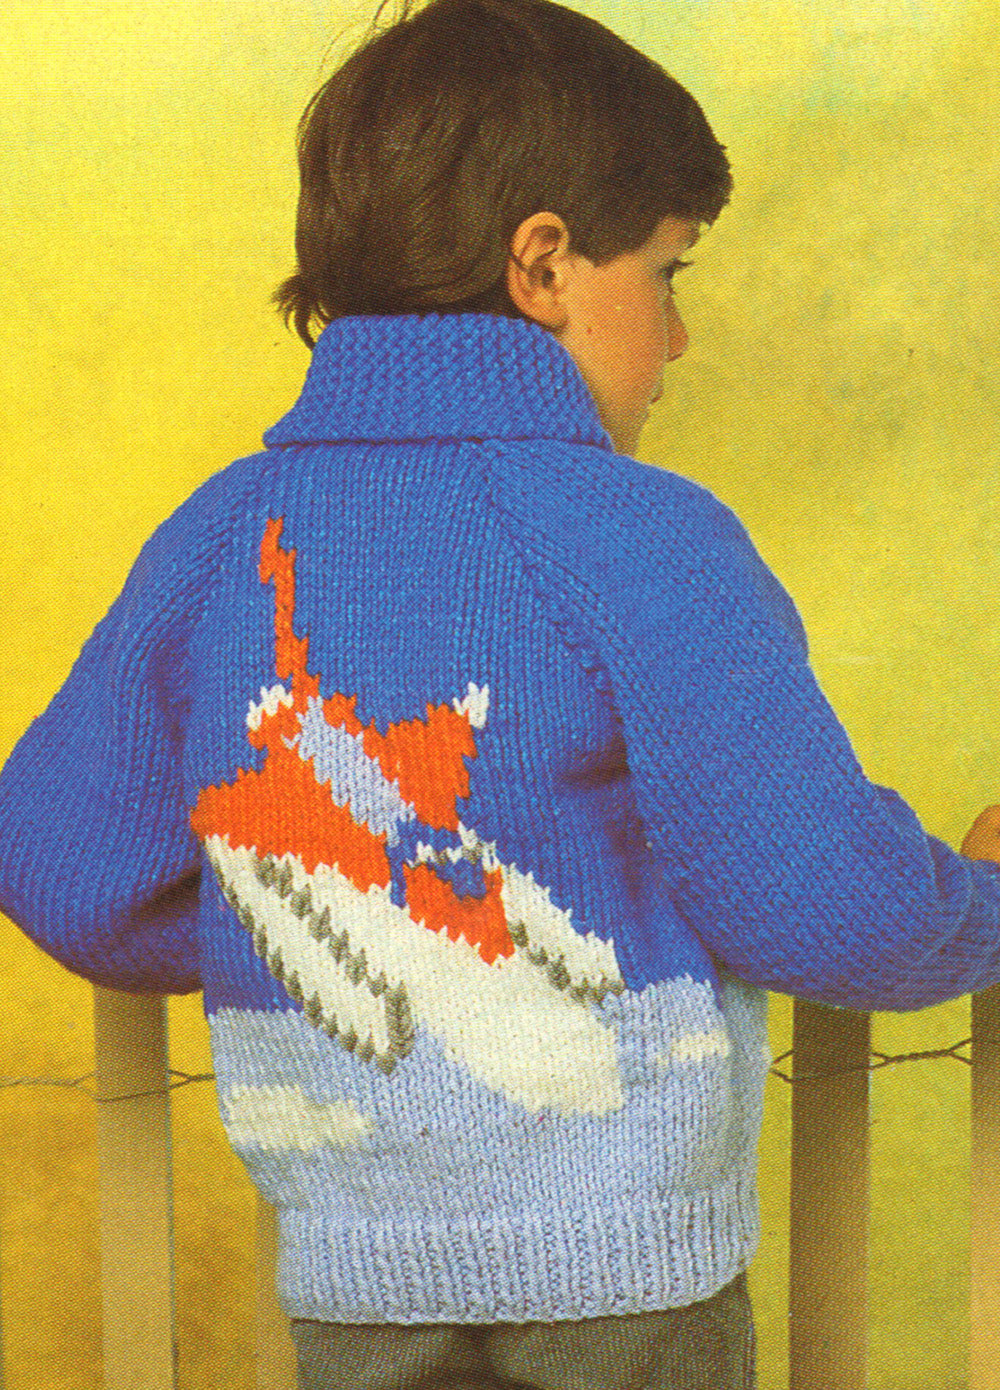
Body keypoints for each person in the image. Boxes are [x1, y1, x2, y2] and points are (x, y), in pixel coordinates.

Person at [2, 1, 1000, 1386]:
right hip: (627, 1282)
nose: (681, 336)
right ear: (542, 265)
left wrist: (295, 924)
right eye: (666, 274)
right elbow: (821, 898)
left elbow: (66, 869)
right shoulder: (642, 534)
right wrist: (981, 903)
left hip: (354, 1282)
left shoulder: (219, 535)